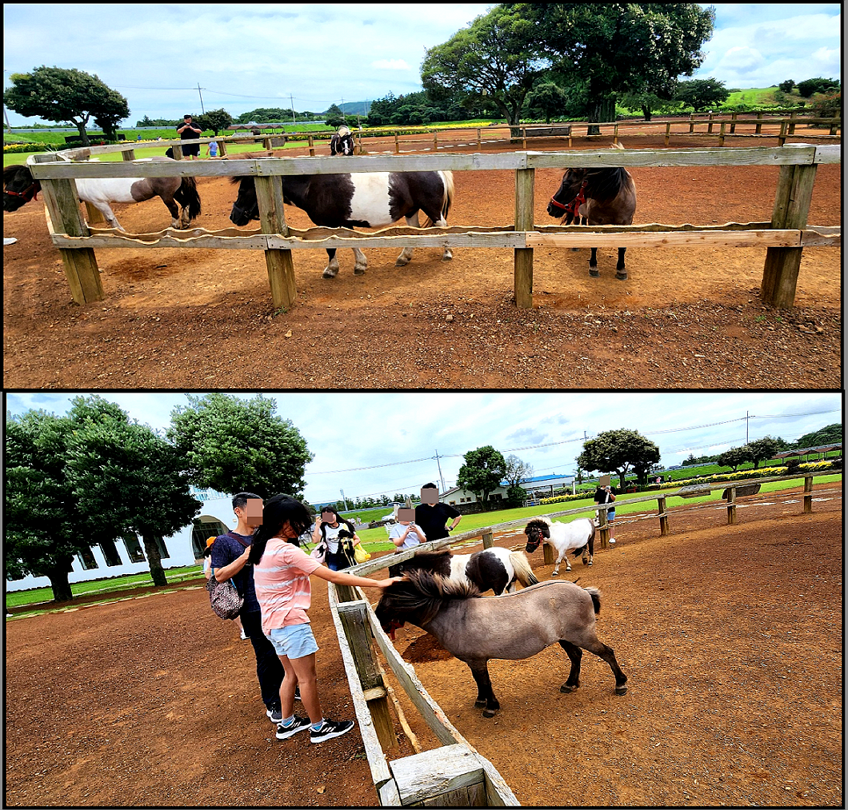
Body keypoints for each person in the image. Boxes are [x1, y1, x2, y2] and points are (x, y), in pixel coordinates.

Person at [250, 494, 400, 742]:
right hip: (291, 622)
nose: (299, 528)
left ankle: (286, 723)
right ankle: (318, 728)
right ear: (282, 522)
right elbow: (335, 576)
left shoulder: (262, 547)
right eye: (296, 522)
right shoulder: (286, 550)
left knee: (290, 675)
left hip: (271, 623)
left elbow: (301, 567)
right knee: (307, 678)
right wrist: (377, 582)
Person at [210, 492, 288, 725]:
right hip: (253, 607)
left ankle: (287, 687)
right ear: (239, 511)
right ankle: (273, 702)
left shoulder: (266, 536)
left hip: (276, 602)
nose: (261, 514)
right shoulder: (224, 542)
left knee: (284, 648)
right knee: (265, 654)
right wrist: (245, 557)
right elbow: (219, 575)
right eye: (256, 509)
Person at [204, 536, 246, 640]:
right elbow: (208, 576)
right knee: (231, 606)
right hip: (224, 587)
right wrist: (210, 563)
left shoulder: (228, 552)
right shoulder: (209, 559)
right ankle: (243, 628)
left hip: (236, 582)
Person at [388, 507, 427, 577]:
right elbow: (397, 543)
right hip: (404, 556)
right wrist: (405, 533)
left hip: (418, 554)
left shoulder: (417, 527)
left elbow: (423, 540)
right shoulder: (396, 529)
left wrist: (417, 532)